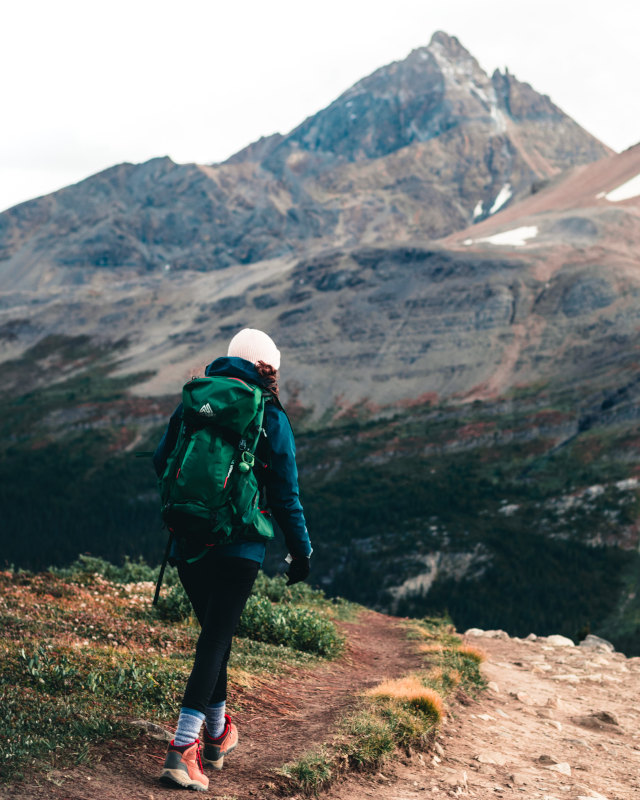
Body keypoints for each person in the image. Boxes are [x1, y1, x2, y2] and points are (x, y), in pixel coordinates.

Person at [152, 328, 312, 792]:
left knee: (213, 638)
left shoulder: (193, 402)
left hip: (188, 541)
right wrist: (300, 551)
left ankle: (218, 735)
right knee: (215, 640)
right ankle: (184, 749)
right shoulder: (268, 414)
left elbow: (163, 461)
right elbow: (285, 494)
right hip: (240, 546)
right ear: (268, 367)